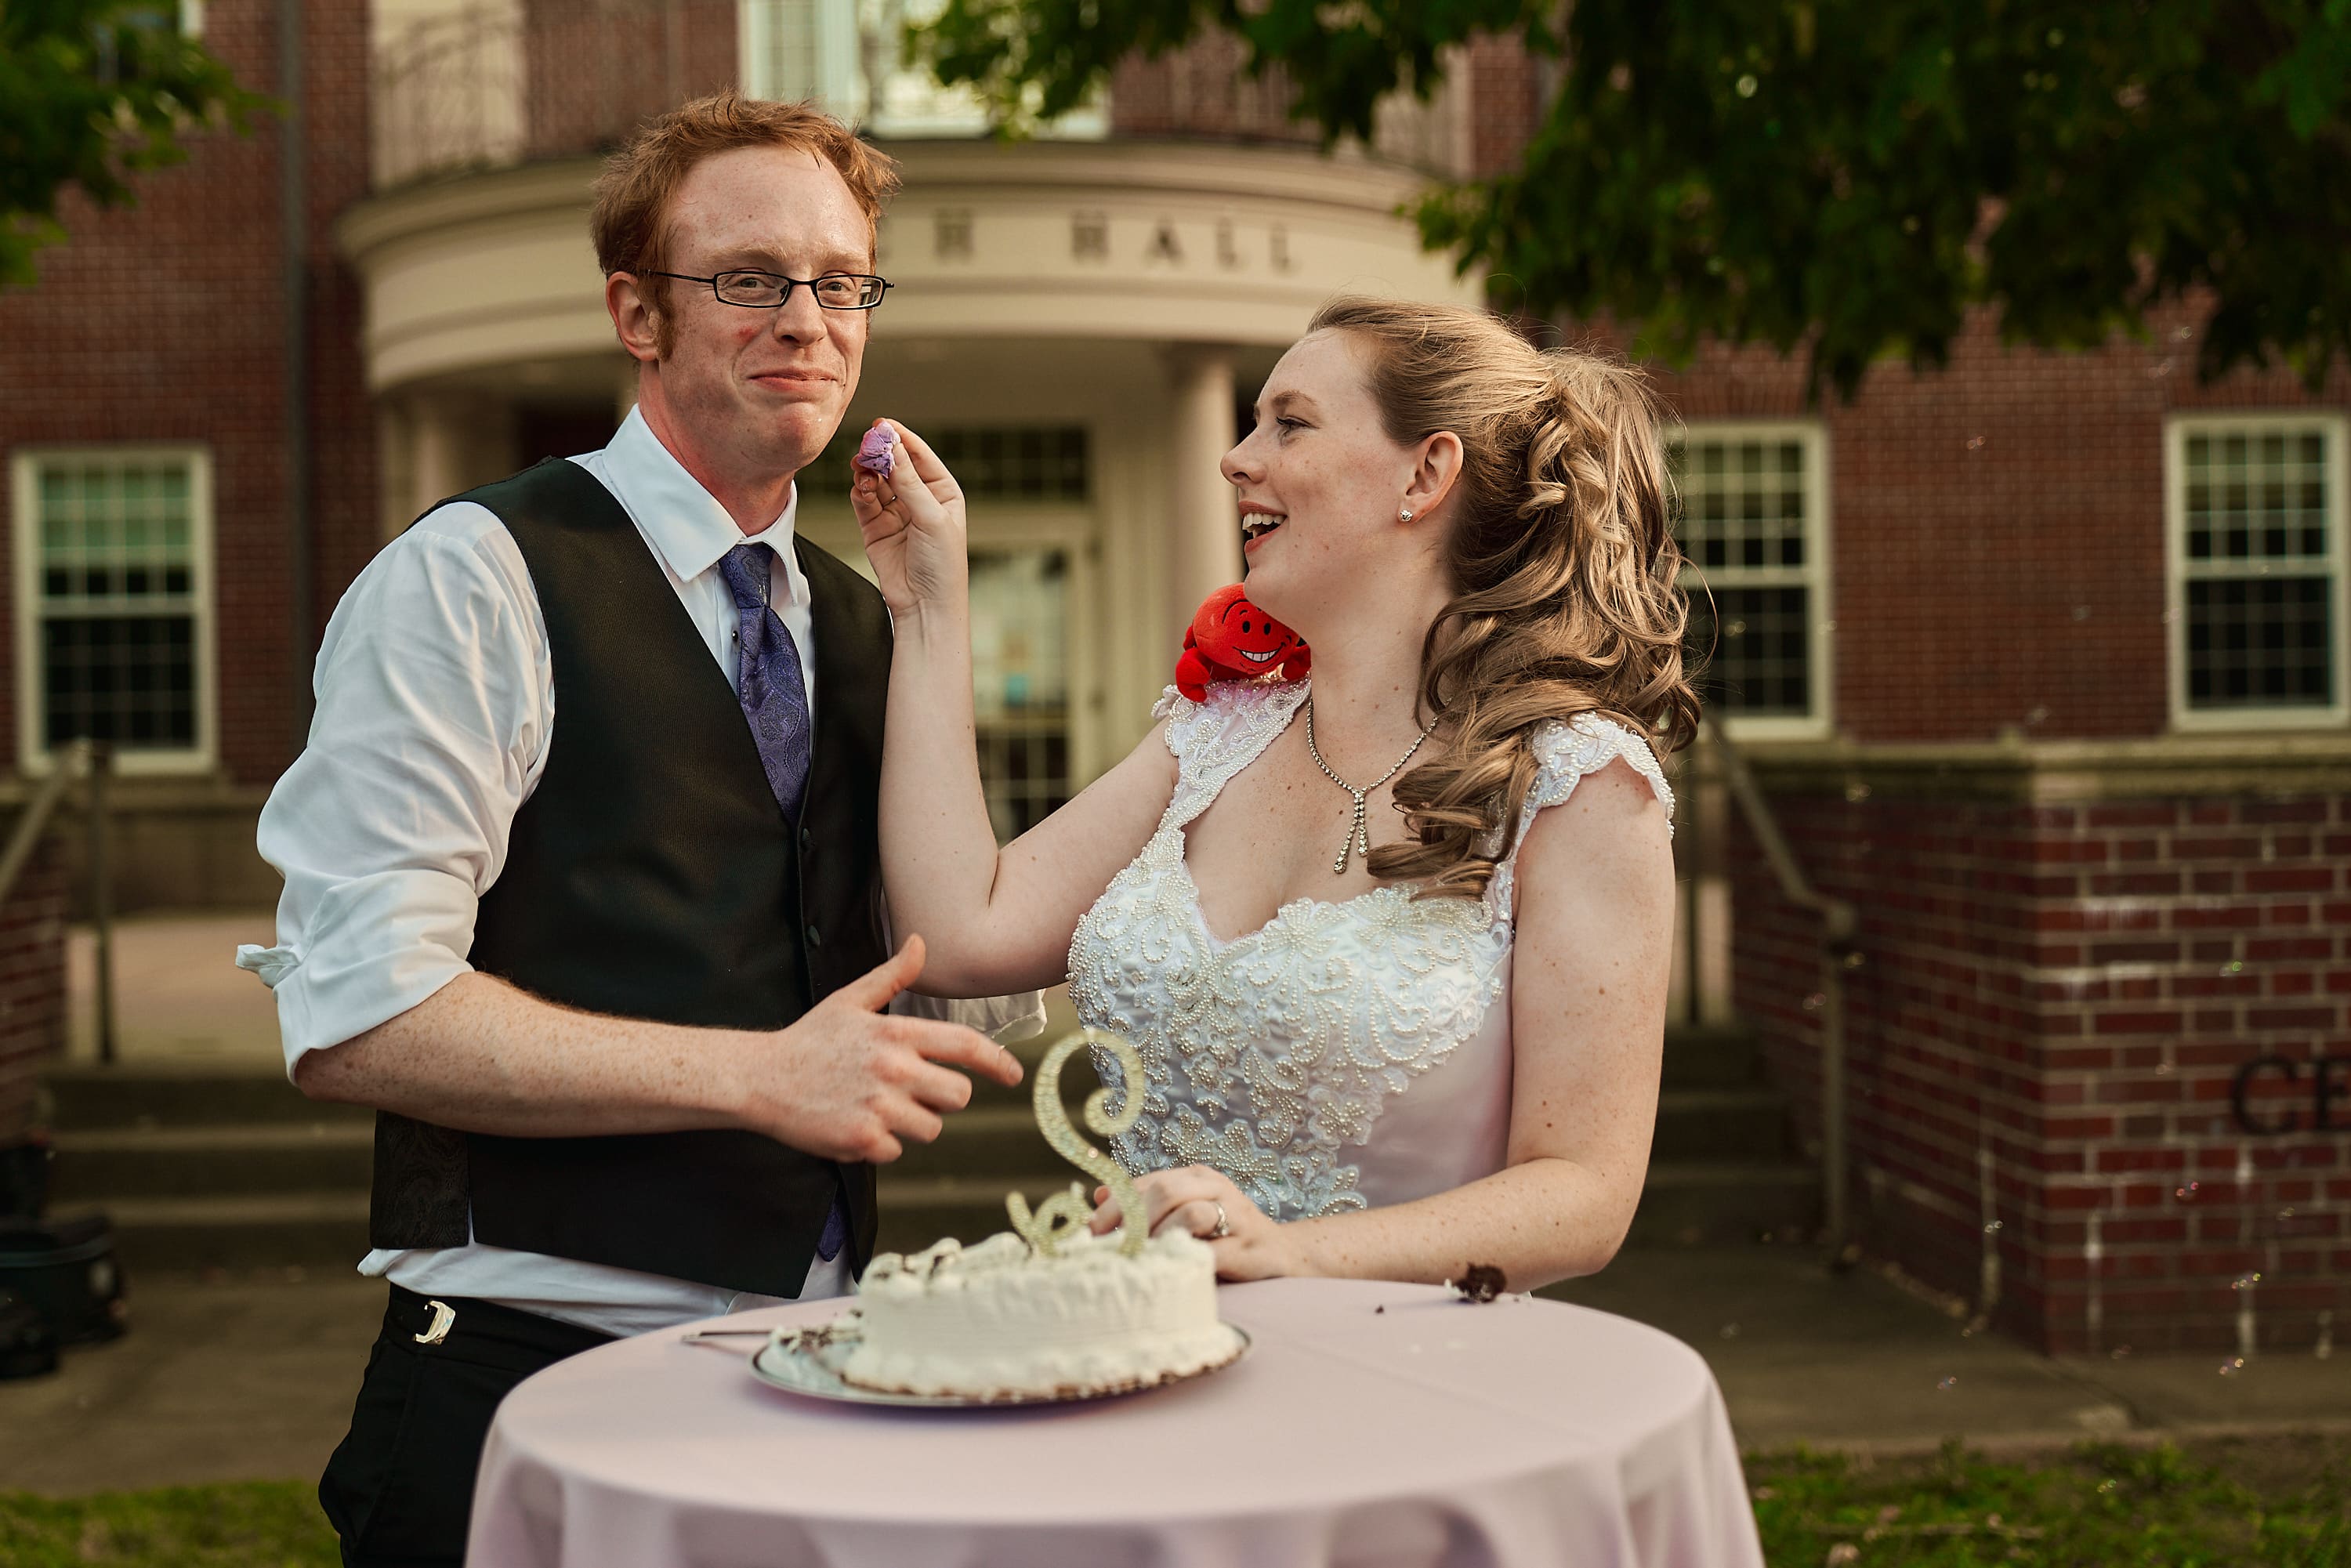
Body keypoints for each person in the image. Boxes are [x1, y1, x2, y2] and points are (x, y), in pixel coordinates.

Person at [236, 92, 1033, 1567]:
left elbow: (947, 957)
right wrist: (760, 1078)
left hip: (821, 1374)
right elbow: (355, 1012)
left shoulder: (864, 617)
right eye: (749, 278)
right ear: (637, 313)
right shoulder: (475, 578)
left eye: (842, 282)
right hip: (528, 1378)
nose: (807, 322)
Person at [856, 297, 1694, 1295]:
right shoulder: (1212, 736)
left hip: (1397, 1358)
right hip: (1157, 1347)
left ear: (1425, 474)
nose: (1235, 459)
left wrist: (1295, 1257)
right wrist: (928, 605)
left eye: (1289, 424)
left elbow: (1582, 1194)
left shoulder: (1576, 786)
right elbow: (960, 931)